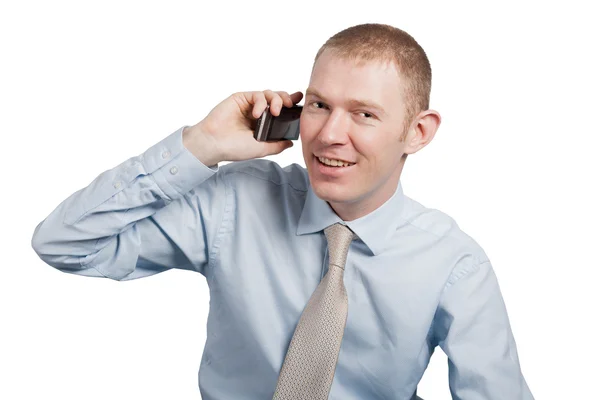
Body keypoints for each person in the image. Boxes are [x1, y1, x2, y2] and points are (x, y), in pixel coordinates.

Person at [31, 23, 534, 399]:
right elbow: (65, 243)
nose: (330, 134)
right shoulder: (236, 201)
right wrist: (201, 145)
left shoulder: (454, 265)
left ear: (418, 132)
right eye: (318, 105)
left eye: (363, 113)